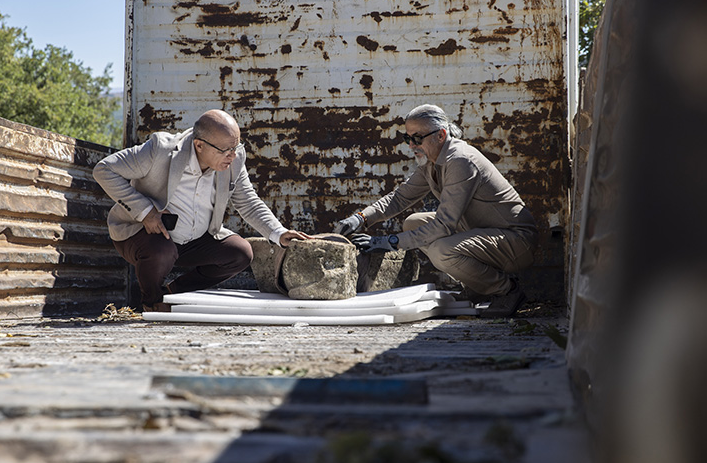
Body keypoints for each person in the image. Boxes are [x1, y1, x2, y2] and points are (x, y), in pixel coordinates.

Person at [94, 109, 310, 312]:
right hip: (144, 237)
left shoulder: (234, 159)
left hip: (194, 241)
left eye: (236, 147)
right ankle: (152, 303)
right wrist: (146, 212)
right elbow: (104, 169)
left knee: (241, 253)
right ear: (199, 146)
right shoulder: (160, 150)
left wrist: (279, 233)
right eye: (226, 150)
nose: (233, 156)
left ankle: (171, 295)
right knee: (161, 251)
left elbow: (248, 202)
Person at [334, 104, 538, 317]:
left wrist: (388, 243)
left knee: (442, 250)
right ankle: (479, 287)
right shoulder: (432, 161)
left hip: (516, 241)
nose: (412, 145)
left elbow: (444, 225)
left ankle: (507, 291)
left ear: (441, 135)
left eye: (417, 138)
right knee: (413, 222)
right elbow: (400, 197)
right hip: (483, 233)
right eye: (408, 139)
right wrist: (360, 218)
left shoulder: (460, 160)